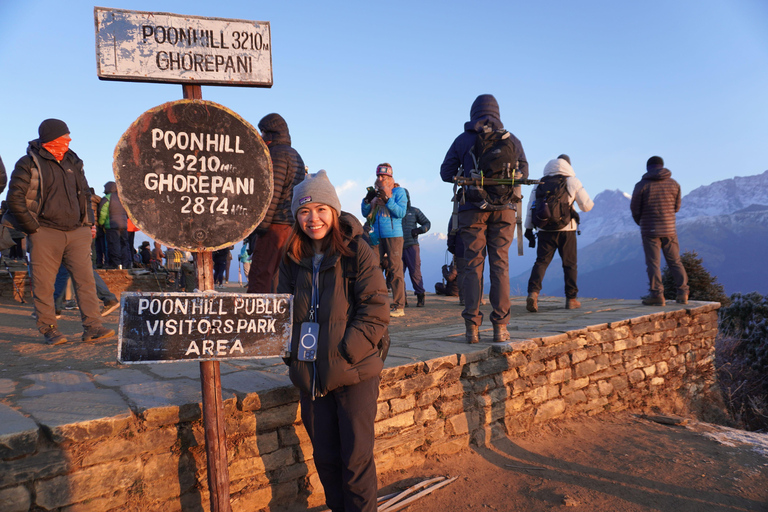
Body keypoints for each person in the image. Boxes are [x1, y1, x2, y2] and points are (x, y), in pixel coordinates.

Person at [277, 170, 388, 512]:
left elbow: (375, 311)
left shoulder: (357, 251)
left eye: (321, 209)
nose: (314, 219)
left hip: (354, 374)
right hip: (310, 375)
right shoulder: (292, 257)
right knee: (326, 460)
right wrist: (293, 356)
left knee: (355, 464)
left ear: (334, 211)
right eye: (305, 211)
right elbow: (280, 314)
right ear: (297, 216)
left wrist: (342, 354)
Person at [4, 119, 114, 345]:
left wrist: (89, 224)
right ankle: (49, 329)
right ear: (50, 139)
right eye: (64, 137)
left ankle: (92, 327)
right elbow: (14, 199)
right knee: (44, 283)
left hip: (77, 232)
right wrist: (33, 228)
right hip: (44, 231)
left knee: (86, 281)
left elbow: (84, 194)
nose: (69, 140)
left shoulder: (74, 161)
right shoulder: (28, 163)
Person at [440, 94, 528, 343]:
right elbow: (524, 173)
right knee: (500, 265)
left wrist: (466, 170)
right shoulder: (512, 140)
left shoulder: (464, 139)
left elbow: (445, 172)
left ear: (473, 113)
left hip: (472, 209)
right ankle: (500, 327)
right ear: (497, 113)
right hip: (505, 209)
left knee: (472, 265)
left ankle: (472, 328)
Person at [524, 155, 594, 312]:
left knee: (541, 262)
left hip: (544, 230)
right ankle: (571, 299)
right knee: (569, 264)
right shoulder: (572, 181)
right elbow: (587, 206)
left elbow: (531, 208)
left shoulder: (540, 183)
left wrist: (528, 228)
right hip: (566, 230)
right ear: (568, 166)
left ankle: (533, 294)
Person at [247, 113, 306, 293]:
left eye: (263, 133)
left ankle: (254, 315)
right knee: (281, 276)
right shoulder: (295, 154)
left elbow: (272, 192)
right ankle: (277, 317)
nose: (261, 137)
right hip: (291, 225)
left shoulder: (275, 154)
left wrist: (261, 227)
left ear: (270, 133)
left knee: (260, 274)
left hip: (274, 224)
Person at [630, 156, 689, 306]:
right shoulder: (674, 184)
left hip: (649, 229)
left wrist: (641, 222)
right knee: (675, 261)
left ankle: (657, 295)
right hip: (669, 229)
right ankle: (683, 293)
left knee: (653, 263)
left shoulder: (641, 185)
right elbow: (676, 207)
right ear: (662, 166)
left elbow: (635, 209)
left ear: (648, 168)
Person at [361, 163, 408, 317]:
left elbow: (401, 213)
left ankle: (399, 306)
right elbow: (364, 213)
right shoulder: (374, 192)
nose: (381, 179)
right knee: (373, 268)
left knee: (395, 270)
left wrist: (388, 199)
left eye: (384, 176)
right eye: (379, 176)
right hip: (375, 234)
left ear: (390, 177)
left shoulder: (399, 192)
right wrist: (367, 201)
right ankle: (377, 303)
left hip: (394, 235)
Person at [401, 188, 431, 307]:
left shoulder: (414, 211)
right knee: (398, 275)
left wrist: (419, 230)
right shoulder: (394, 211)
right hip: (397, 247)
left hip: (411, 245)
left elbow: (427, 223)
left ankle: (420, 296)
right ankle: (402, 299)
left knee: (415, 272)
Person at [98, 181, 130, 269]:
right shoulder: (122, 199)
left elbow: (103, 214)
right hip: (123, 225)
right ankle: (125, 264)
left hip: (111, 226)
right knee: (124, 244)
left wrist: (101, 223)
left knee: (113, 245)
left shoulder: (106, 198)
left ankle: (115, 264)